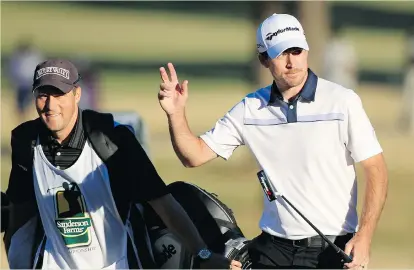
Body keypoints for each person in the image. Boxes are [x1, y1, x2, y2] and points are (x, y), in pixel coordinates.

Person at [158, 13, 388, 269]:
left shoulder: (342, 102)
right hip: (272, 250)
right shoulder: (250, 108)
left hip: (331, 250)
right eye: (281, 54)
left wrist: (364, 237)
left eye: (297, 51)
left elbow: (376, 169)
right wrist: (176, 114)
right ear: (264, 59)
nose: (292, 62)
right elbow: (194, 155)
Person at [3, 58, 242, 270]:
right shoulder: (26, 141)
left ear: (77, 94)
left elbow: (163, 203)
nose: (50, 105)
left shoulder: (111, 138)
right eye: (43, 95)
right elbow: (20, 212)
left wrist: (202, 253)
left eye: (59, 95)